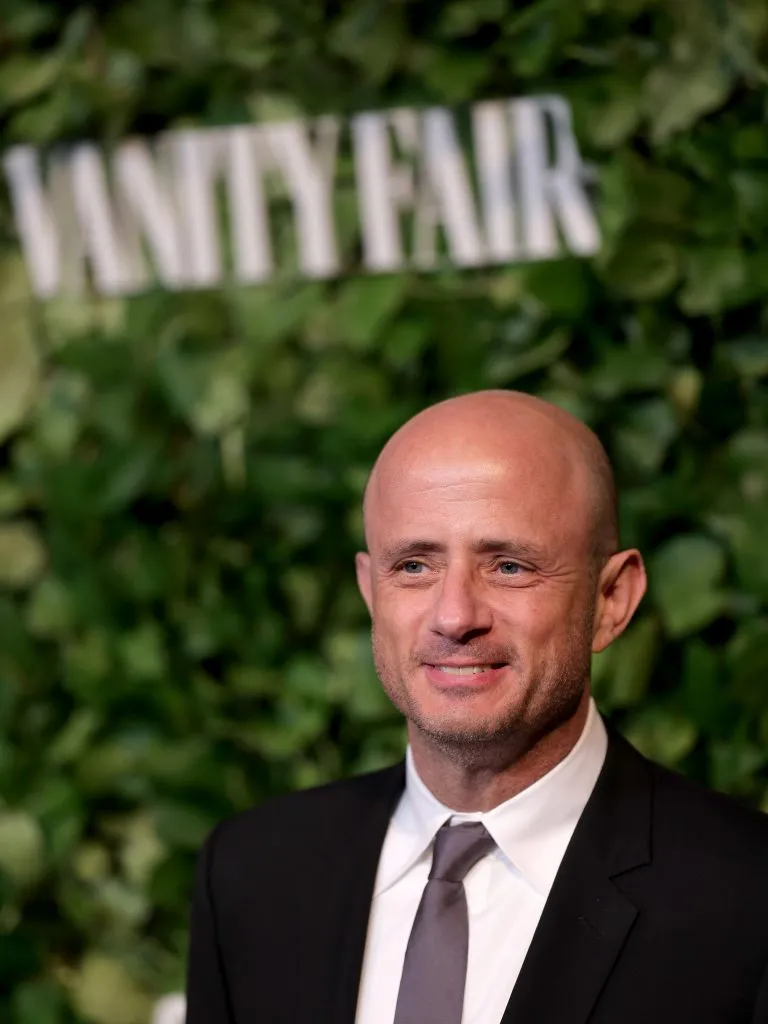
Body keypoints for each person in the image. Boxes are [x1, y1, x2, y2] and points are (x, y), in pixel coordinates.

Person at [185, 390, 768, 1024]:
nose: (455, 616)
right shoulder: (251, 874)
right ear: (369, 590)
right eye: (413, 566)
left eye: (510, 566)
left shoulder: (747, 897)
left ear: (612, 600)